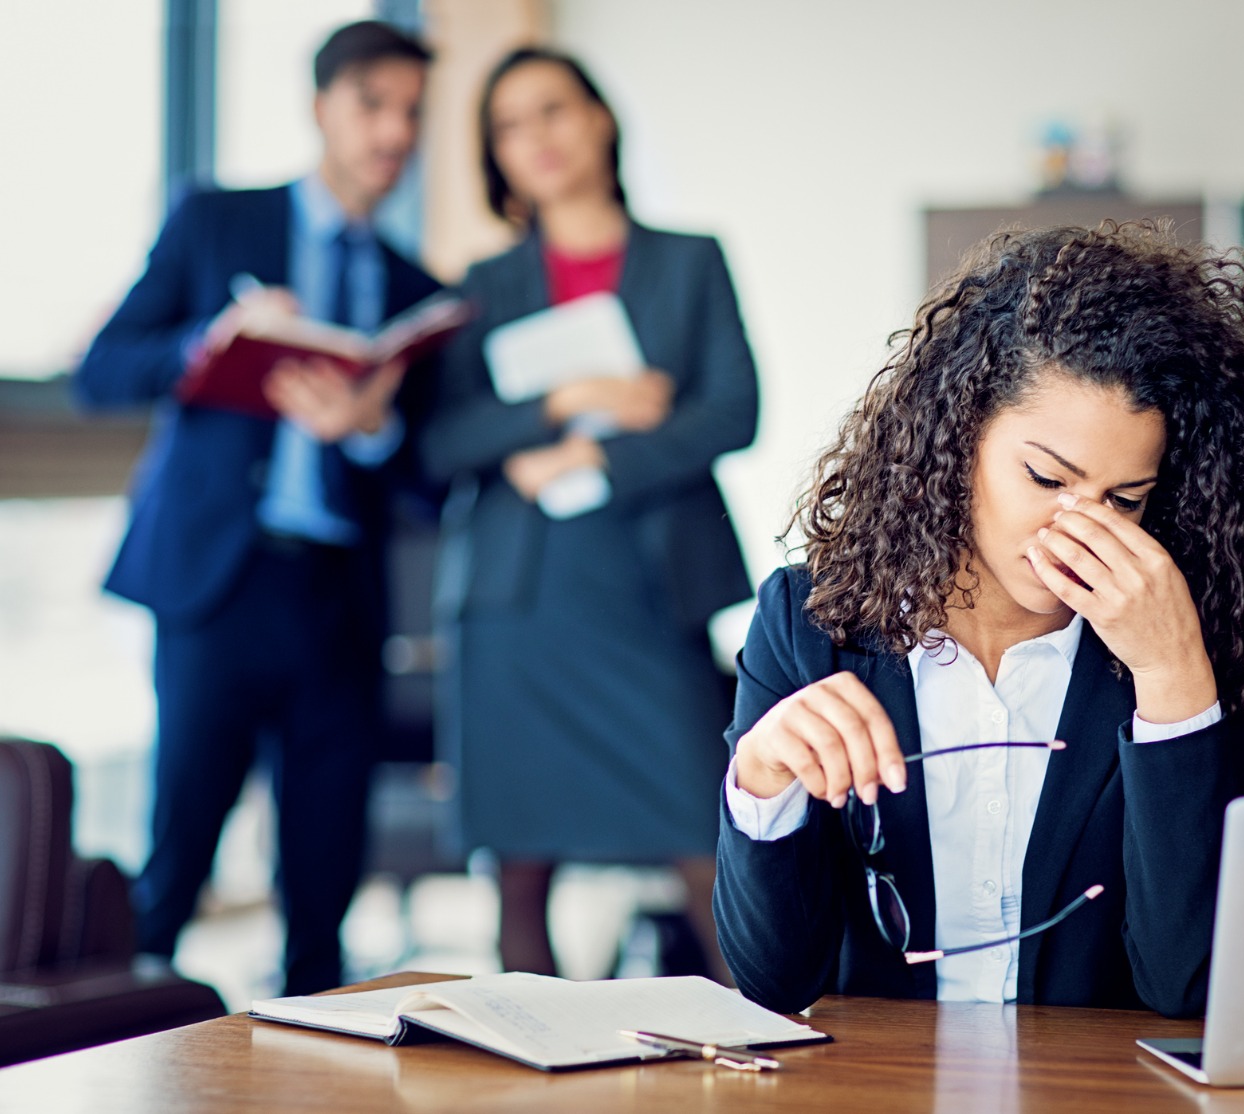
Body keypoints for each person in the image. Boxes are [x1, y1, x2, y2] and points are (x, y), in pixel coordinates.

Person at [714, 222, 1244, 1017]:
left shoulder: (1187, 636)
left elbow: (1188, 986)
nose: (1079, 530)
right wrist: (762, 782)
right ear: (956, 437)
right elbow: (774, 983)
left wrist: (1172, 683)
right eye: (1047, 478)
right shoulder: (810, 620)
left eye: (1124, 500)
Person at [74, 21, 440, 996]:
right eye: (373, 104)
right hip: (217, 587)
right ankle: (117, 1058)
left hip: (336, 602)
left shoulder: (414, 291)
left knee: (323, 887)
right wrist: (212, 341)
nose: (394, 132)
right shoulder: (217, 223)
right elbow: (101, 369)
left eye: (411, 112)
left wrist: (370, 428)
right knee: (176, 862)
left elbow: (433, 482)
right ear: (321, 106)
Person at [419, 47, 758, 981]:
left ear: (601, 118)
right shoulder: (480, 285)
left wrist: (599, 459)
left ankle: (760, 1057)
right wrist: (565, 404)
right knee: (520, 870)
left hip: (648, 589)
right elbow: (443, 440)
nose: (538, 138)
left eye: (554, 110)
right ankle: (530, 1072)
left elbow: (734, 409)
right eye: (511, 125)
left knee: (707, 837)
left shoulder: (690, 262)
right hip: (517, 602)